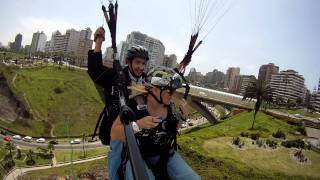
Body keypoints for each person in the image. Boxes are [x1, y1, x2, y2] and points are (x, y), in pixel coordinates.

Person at [109, 66, 200, 180]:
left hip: (163, 154)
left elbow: (172, 130)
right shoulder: (135, 106)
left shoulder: (170, 108)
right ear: (155, 89)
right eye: (170, 91)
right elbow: (114, 133)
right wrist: (138, 125)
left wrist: (182, 117)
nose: (173, 95)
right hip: (137, 155)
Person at [87, 27, 150, 145]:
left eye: (143, 64)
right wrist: (98, 42)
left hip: (137, 132)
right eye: (137, 62)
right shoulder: (116, 76)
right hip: (115, 131)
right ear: (128, 61)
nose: (141, 67)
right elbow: (95, 71)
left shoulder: (146, 80)